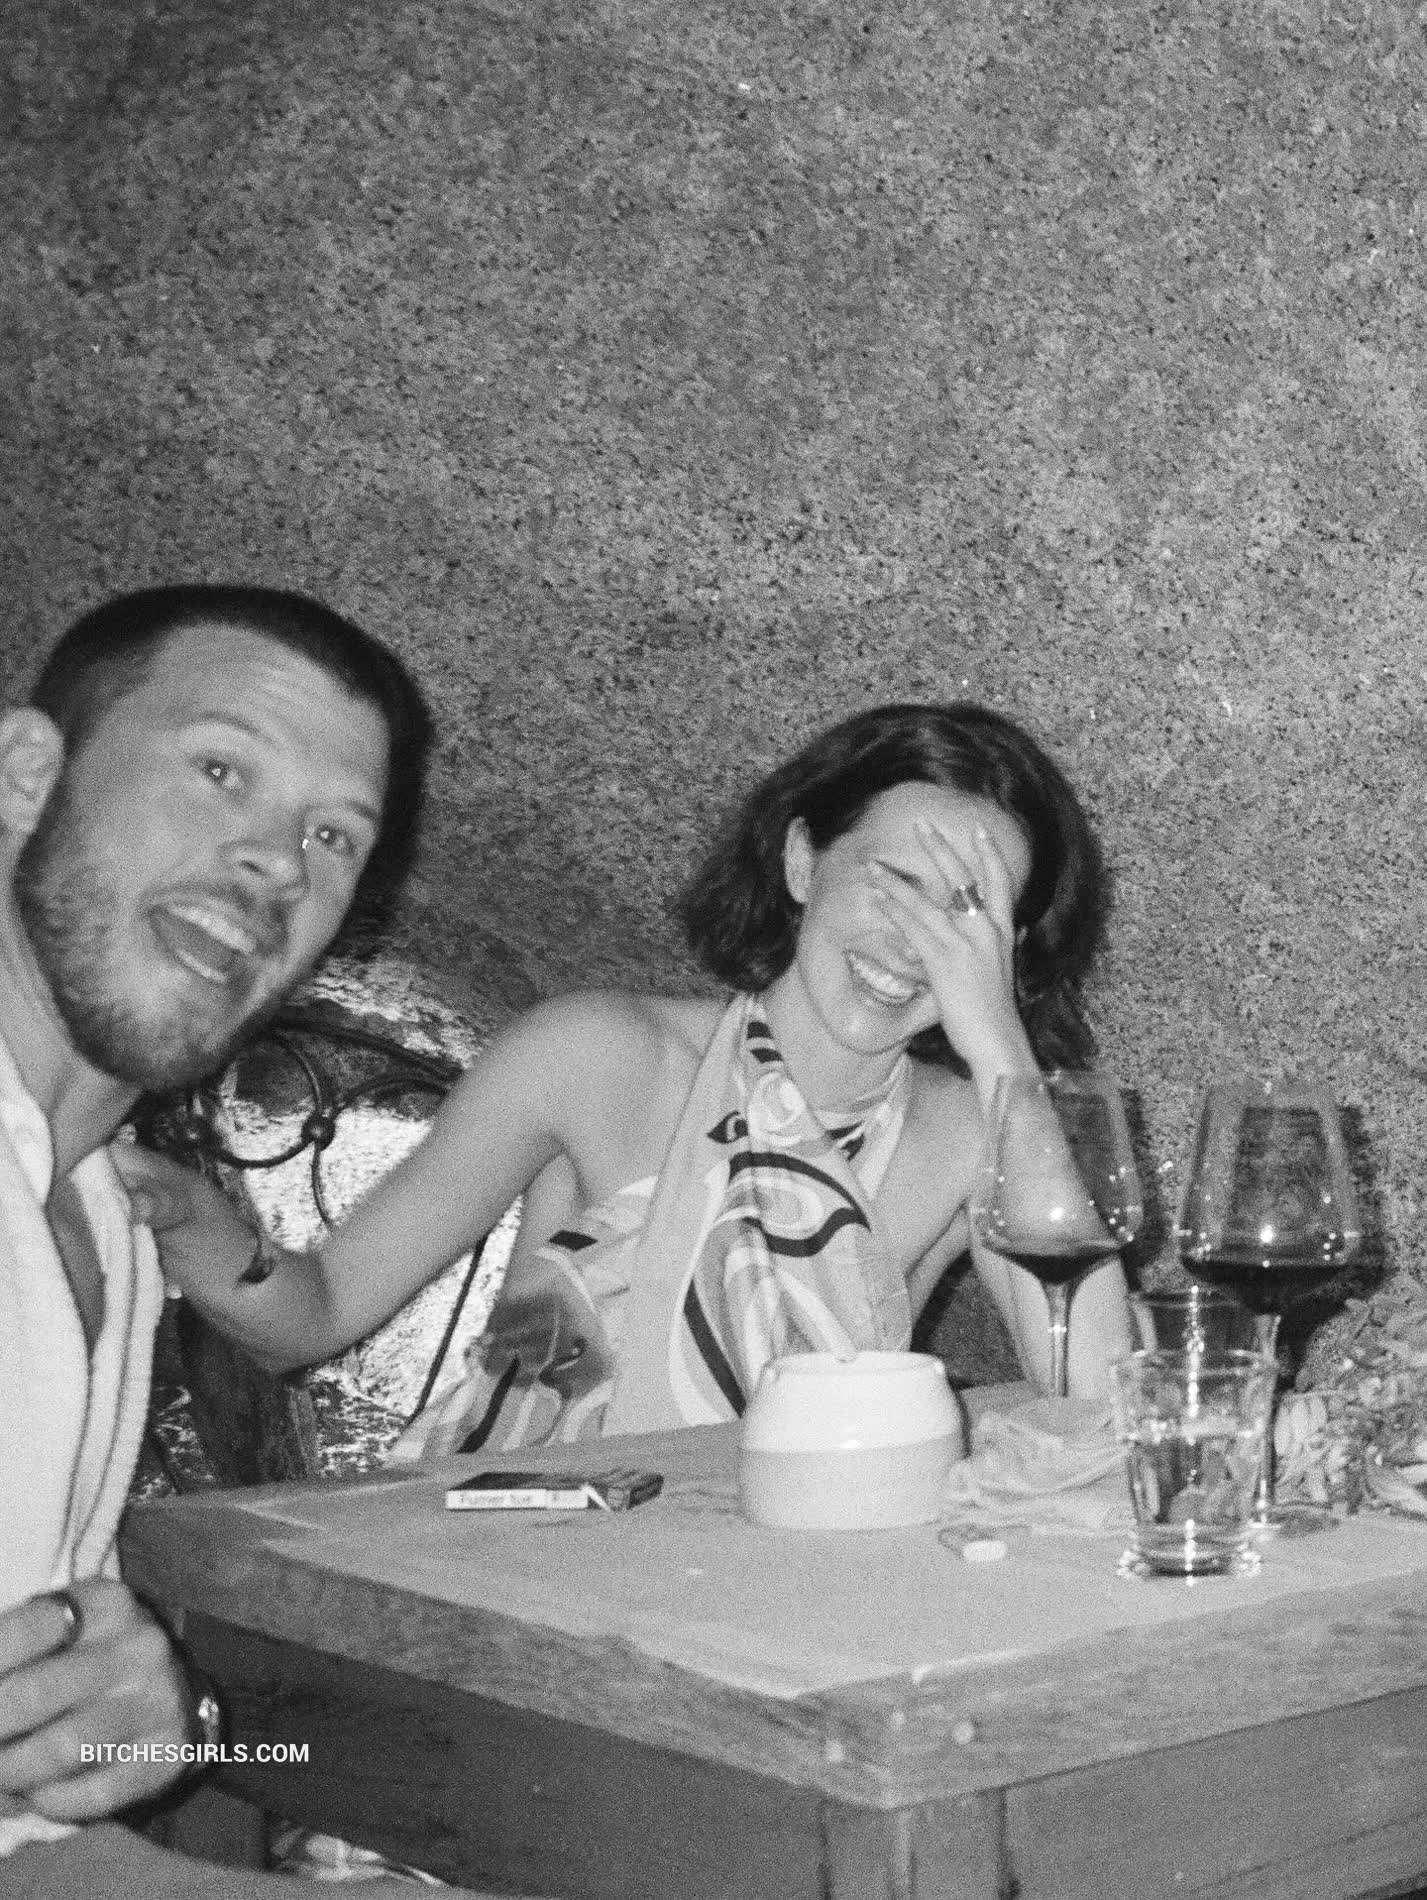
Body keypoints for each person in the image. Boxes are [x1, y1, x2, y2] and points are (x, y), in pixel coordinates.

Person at [124, 701, 1133, 1464]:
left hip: (808, 1572)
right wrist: (184, 1215)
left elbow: (1106, 1403)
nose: (917, 943)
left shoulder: (969, 1135)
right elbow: (313, 1315)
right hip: (531, 1562)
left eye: (968, 914)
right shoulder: (598, 1052)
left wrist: (1001, 1049)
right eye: (895, 882)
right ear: (801, 861)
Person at [0, 584, 519, 1898]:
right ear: (23, 776)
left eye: (332, 835)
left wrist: (161, 1712)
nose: (279, 862)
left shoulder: (103, 1222)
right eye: (221, 769)